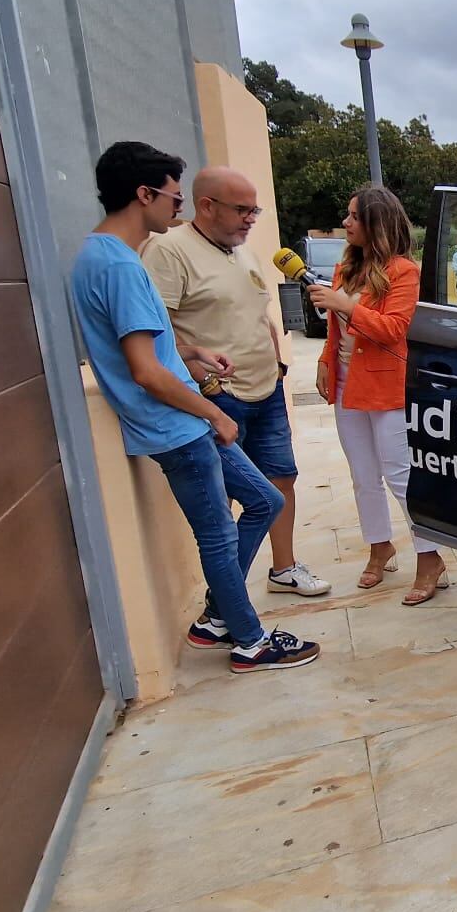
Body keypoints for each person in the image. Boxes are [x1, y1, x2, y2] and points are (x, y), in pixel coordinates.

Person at [71, 141, 319, 673]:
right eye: (174, 197)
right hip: (175, 427)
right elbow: (145, 371)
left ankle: (216, 618)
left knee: (265, 500)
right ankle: (250, 642)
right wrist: (214, 412)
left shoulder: (102, 255)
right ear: (144, 195)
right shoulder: (120, 266)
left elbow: (144, 347)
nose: (178, 208)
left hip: (183, 420)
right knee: (219, 534)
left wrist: (192, 352)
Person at [141, 166, 332, 599]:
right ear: (207, 206)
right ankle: (227, 596)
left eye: (254, 211)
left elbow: (260, 314)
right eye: (242, 210)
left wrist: (278, 365)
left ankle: (284, 569)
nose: (250, 219)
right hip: (220, 397)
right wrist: (203, 379)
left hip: (267, 390)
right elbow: (156, 333)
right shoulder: (169, 252)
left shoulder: (241, 251)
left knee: (281, 479)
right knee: (226, 496)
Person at [309, 186, 449, 605]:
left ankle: (430, 557)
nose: (346, 222)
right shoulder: (345, 268)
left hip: (387, 386)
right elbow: (335, 330)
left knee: (399, 475)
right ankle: (379, 546)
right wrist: (325, 359)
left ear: (377, 223)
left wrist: (347, 305)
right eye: (348, 214)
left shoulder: (403, 271)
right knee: (362, 475)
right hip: (345, 384)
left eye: (354, 216)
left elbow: (393, 330)